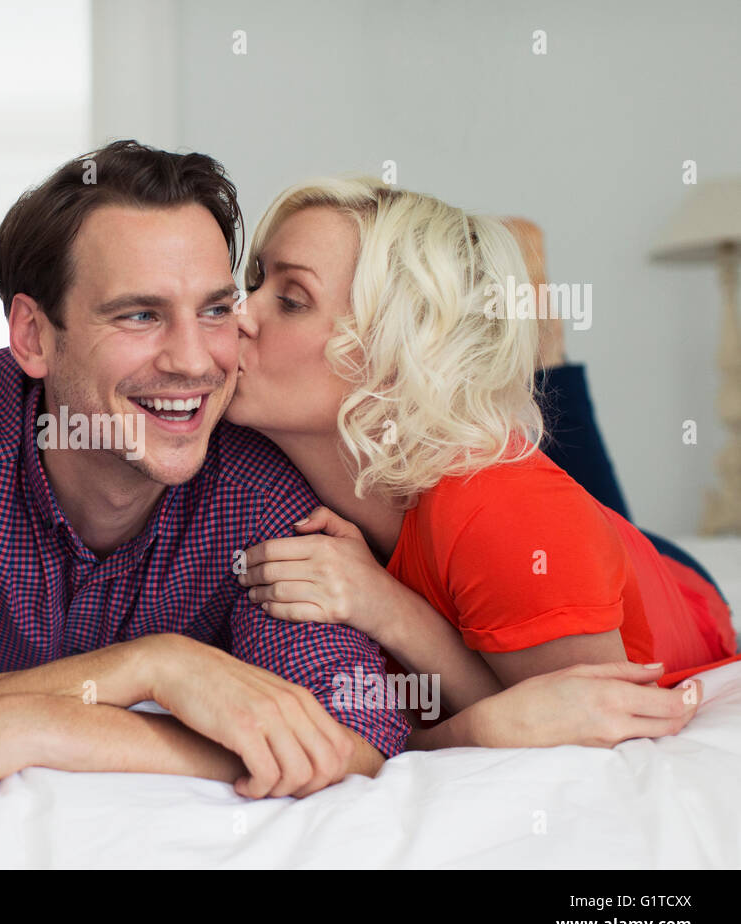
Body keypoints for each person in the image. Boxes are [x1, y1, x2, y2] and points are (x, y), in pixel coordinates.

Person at [0, 143, 705, 811]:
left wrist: (43, 721)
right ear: (32, 334)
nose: (208, 354)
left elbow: (402, 730)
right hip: (407, 505)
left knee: (528, 468)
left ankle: (532, 315)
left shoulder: (298, 477)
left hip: (589, 560)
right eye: (141, 313)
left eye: (229, 304)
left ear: (379, 352)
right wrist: (150, 672)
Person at [230, 177, 738, 747]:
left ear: (395, 354)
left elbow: (579, 730)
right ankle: (541, 345)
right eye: (253, 280)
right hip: (537, 534)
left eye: (292, 299)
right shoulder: (248, 465)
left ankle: (545, 343)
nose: (235, 313)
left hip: (673, 592)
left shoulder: (505, 515)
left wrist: (389, 609)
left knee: (537, 479)